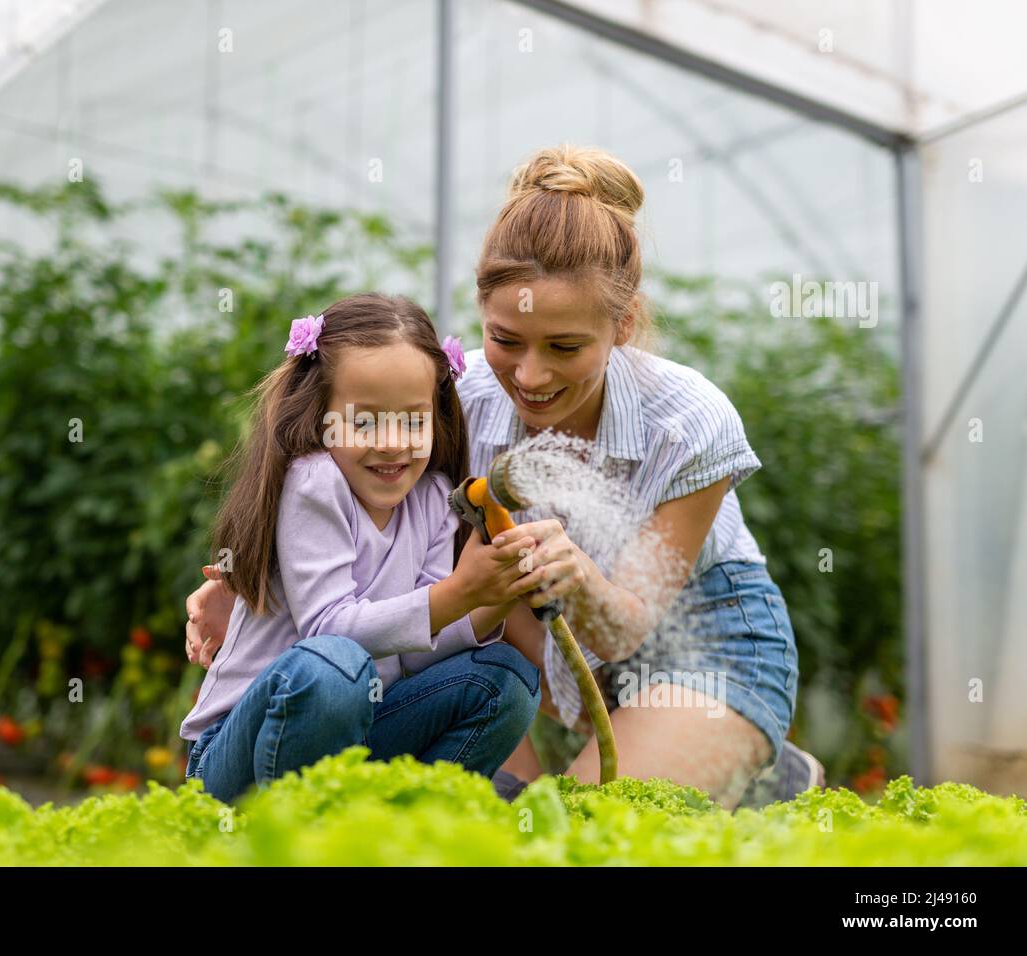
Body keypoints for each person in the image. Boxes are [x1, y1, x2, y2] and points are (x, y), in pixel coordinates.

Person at [189, 146, 824, 810]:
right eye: (506, 340)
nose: (529, 376)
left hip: (702, 642)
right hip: (532, 636)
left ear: (624, 325)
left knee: (589, 828)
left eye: (565, 348)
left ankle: (741, 768)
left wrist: (576, 575)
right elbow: (366, 522)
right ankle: (698, 781)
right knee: (498, 818)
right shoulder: (459, 398)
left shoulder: (689, 421)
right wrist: (252, 586)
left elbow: (616, 635)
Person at [179, 292, 541, 804]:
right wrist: (460, 592)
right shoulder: (315, 480)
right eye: (364, 420)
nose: (392, 442)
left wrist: (497, 593)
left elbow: (417, 653)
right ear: (319, 417)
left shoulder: (435, 497)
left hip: (354, 738)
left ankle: (396, 829)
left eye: (413, 420)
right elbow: (329, 629)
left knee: (506, 679)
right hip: (238, 759)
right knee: (333, 668)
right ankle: (287, 840)